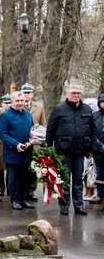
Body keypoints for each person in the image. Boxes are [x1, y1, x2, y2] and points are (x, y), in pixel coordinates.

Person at [46, 84, 97, 215]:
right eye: (73, 93)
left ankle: (79, 205)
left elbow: (92, 130)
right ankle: (64, 206)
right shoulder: (59, 109)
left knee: (79, 180)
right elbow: (50, 130)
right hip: (63, 151)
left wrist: (92, 148)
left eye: (79, 93)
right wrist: (47, 149)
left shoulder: (86, 109)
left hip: (80, 150)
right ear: (67, 94)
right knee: (64, 179)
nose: (76, 95)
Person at [0, 91, 35, 210]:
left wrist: (34, 139)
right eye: (17, 101)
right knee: (13, 177)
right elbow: (2, 134)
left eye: (22, 101)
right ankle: (14, 199)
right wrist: (15, 144)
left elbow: (32, 130)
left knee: (24, 176)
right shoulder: (5, 115)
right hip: (13, 152)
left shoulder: (28, 115)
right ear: (12, 102)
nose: (20, 103)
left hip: (26, 151)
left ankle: (23, 198)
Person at [21, 84, 46, 201]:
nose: (26, 95)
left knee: (34, 168)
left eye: (28, 93)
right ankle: (20, 190)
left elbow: (43, 123)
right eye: (24, 93)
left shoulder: (39, 107)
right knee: (22, 167)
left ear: (32, 94)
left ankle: (30, 191)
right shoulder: (17, 105)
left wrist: (42, 137)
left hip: (35, 142)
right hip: (22, 141)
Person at [92, 94, 104, 211]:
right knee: (100, 174)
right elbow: (92, 133)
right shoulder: (95, 116)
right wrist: (100, 145)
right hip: (99, 151)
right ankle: (99, 195)